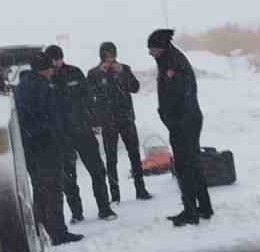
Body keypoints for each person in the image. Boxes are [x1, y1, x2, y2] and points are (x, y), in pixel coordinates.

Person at [147, 28, 212, 227]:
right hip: (183, 121)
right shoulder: (168, 61)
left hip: (185, 122)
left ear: (162, 47)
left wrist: (175, 121)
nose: (151, 53)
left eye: (152, 49)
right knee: (193, 164)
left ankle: (191, 212)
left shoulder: (175, 63)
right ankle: (204, 208)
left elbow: (184, 96)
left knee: (184, 167)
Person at [13, 51, 80, 245]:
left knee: (40, 190)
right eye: (51, 68)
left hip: (30, 147)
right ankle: (58, 232)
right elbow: (52, 118)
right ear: (46, 69)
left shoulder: (22, 86)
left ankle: (40, 231)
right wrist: (59, 138)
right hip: (47, 146)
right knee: (53, 190)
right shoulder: (44, 87)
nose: (53, 71)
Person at [45, 44, 116, 222]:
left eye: (59, 58)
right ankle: (77, 213)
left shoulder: (75, 72)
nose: (57, 63)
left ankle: (105, 209)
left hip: (83, 130)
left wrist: (94, 121)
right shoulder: (46, 79)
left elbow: (88, 97)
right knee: (68, 177)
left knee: (98, 171)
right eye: (53, 60)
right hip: (62, 136)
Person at [87, 41, 152, 203]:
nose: (109, 58)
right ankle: (115, 194)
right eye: (106, 55)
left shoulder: (124, 68)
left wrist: (123, 72)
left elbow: (135, 88)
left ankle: (141, 189)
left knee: (134, 155)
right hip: (108, 121)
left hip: (126, 118)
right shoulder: (94, 73)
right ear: (101, 56)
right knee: (111, 158)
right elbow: (89, 95)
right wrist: (100, 75)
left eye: (111, 54)